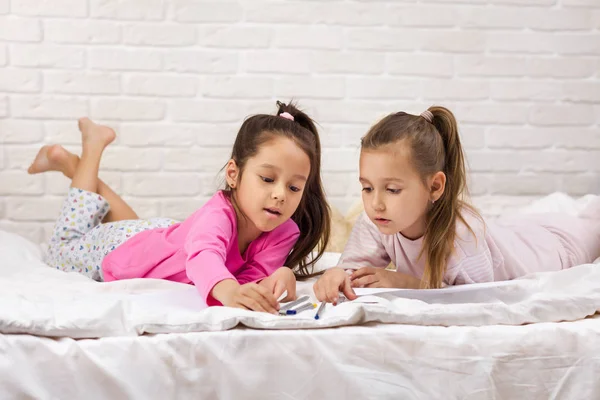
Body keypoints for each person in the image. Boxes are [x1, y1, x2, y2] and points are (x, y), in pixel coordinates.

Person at [29, 101, 331, 314]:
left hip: (162, 239)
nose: (280, 195)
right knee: (61, 249)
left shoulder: (284, 231)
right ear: (233, 174)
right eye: (267, 179)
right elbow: (204, 257)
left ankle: (74, 165)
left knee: (141, 234)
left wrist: (279, 277)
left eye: (294, 187)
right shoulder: (219, 213)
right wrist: (228, 292)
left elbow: (252, 278)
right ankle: (87, 153)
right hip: (122, 250)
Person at [313, 106, 600, 304]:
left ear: (435, 186)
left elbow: (484, 298)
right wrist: (337, 274)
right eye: (366, 187)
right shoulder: (377, 218)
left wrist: (407, 283)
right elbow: (354, 267)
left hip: (555, 249)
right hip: (512, 235)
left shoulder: (462, 236)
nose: (375, 203)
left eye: (392, 189)